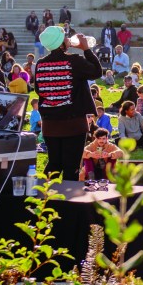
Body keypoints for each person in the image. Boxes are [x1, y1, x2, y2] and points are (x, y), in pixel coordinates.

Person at [34, 25, 103, 182]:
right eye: (64, 36)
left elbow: (39, 90)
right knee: (71, 168)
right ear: (60, 43)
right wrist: (86, 49)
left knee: (54, 165)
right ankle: (67, 202)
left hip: (50, 125)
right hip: (73, 124)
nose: (67, 38)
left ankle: (46, 198)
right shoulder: (74, 61)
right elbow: (97, 71)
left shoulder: (40, 64)